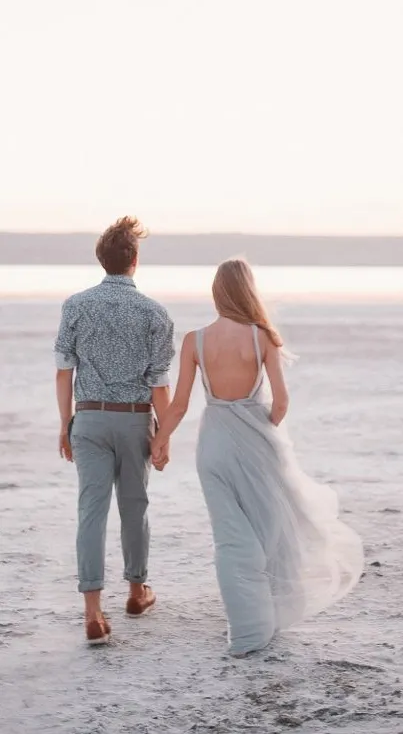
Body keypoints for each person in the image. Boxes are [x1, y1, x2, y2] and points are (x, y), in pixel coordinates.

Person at [151, 258, 364, 657]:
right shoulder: (262, 337)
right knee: (270, 530)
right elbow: (281, 403)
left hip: (212, 444)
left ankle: (245, 632)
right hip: (256, 443)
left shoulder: (194, 340)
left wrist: (161, 440)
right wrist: (261, 427)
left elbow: (178, 405)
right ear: (248, 291)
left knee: (230, 539)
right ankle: (266, 622)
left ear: (217, 293)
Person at [55, 216, 174, 645]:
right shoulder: (154, 312)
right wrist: (163, 438)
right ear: (135, 261)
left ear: (101, 260)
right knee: (134, 508)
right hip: (135, 419)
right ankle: (137, 592)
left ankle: (92, 611)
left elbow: (63, 372)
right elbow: (159, 384)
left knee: (91, 511)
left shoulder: (75, 305)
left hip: (87, 417)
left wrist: (65, 424)